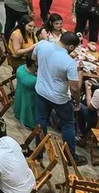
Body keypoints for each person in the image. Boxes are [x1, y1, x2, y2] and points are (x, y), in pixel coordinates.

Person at [32, 31, 86, 164]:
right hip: (59, 98)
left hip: (41, 90)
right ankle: (70, 156)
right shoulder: (69, 62)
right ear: (71, 47)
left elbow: (34, 59)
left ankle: (39, 150)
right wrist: (77, 100)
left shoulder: (42, 44)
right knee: (68, 124)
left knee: (41, 119)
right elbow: (74, 88)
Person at [14, 55, 38, 130]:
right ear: (34, 64)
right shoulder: (33, 80)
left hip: (19, 101)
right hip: (31, 104)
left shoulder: (20, 68)